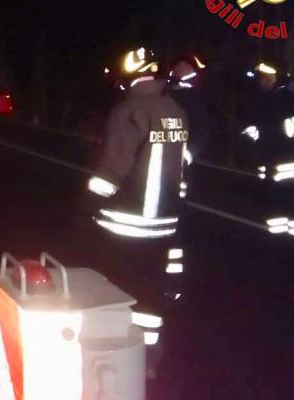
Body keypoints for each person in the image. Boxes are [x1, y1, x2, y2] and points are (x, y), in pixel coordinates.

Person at [85, 46, 189, 362]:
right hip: (164, 223)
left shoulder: (129, 111)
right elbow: (182, 164)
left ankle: (115, 358)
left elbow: (113, 169)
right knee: (149, 291)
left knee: (115, 289)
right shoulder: (176, 111)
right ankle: (149, 356)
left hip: (125, 223)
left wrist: (87, 204)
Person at [240, 60, 294, 241]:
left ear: (279, 77)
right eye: (262, 78)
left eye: (268, 77)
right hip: (271, 167)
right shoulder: (264, 101)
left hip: (292, 169)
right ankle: (277, 247)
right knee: (275, 216)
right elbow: (260, 131)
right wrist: (252, 134)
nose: (263, 81)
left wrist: (267, 132)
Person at [167, 53, 210, 199]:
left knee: (179, 193)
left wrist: (189, 153)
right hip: (164, 152)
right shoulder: (166, 93)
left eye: (183, 65)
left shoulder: (193, 97)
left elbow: (201, 128)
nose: (178, 68)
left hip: (182, 155)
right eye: (177, 65)